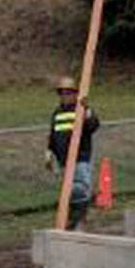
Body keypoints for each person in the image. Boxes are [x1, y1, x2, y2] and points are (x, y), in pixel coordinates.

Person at [46, 76, 100, 230]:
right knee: (69, 192)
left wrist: (87, 110)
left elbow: (93, 126)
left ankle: (78, 220)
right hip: (64, 160)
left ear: (75, 94)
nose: (65, 96)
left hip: (80, 159)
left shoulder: (81, 110)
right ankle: (71, 220)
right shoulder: (57, 113)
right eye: (62, 93)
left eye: (68, 92)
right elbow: (53, 134)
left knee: (79, 189)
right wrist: (49, 152)